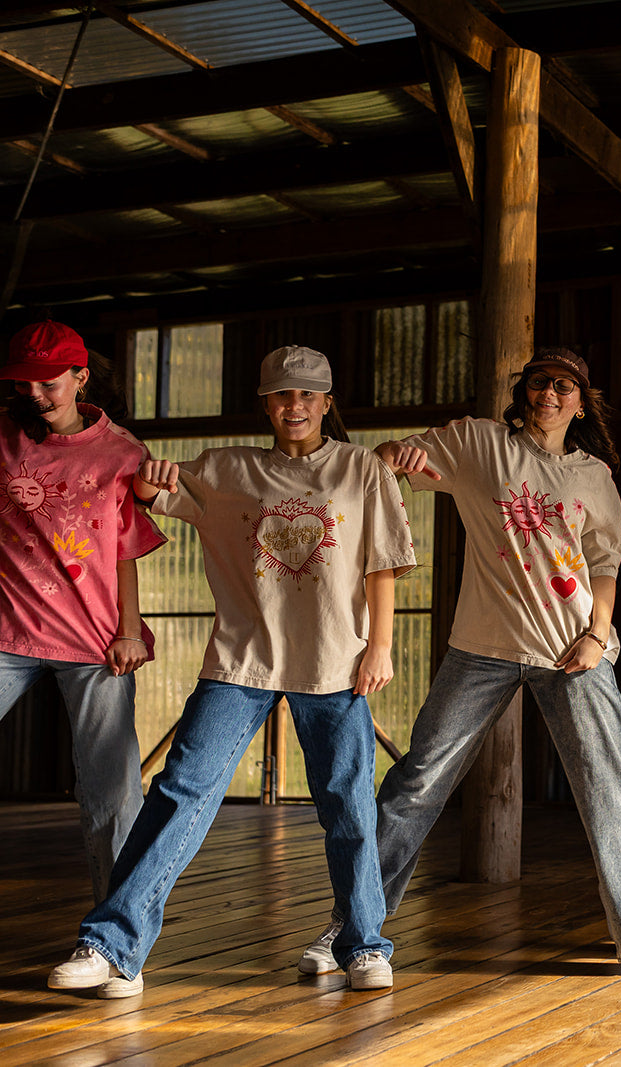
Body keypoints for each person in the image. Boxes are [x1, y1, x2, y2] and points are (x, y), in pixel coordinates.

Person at [300, 348, 621, 980]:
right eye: (539, 383)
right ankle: (352, 929)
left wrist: (598, 633)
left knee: (609, 782)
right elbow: (391, 463)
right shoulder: (479, 444)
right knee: (417, 782)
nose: (549, 395)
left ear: (581, 400)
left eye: (564, 386)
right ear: (524, 391)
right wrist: (396, 453)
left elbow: (606, 564)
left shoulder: (594, 475)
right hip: (481, 645)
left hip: (571, 649)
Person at [48, 345, 414, 997]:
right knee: (178, 790)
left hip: (335, 659)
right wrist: (145, 478)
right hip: (242, 659)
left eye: (306, 395)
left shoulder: (362, 469)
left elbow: (383, 562)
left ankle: (364, 942)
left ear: (327, 402)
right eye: (280, 395)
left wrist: (381, 644)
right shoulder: (228, 469)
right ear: (264, 403)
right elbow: (151, 493)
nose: (293, 406)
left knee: (348, 802)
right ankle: (114, 946)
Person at [1, 321, 165, 902]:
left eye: (48, 384)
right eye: (24, 385)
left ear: (80, 377)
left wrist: (128, 633)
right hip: (8, 632)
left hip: (94, 641)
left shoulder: (122, 453)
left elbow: (124, 553)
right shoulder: (4, 437)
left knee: (111, 792)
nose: (36, 397)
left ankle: (118, 933)